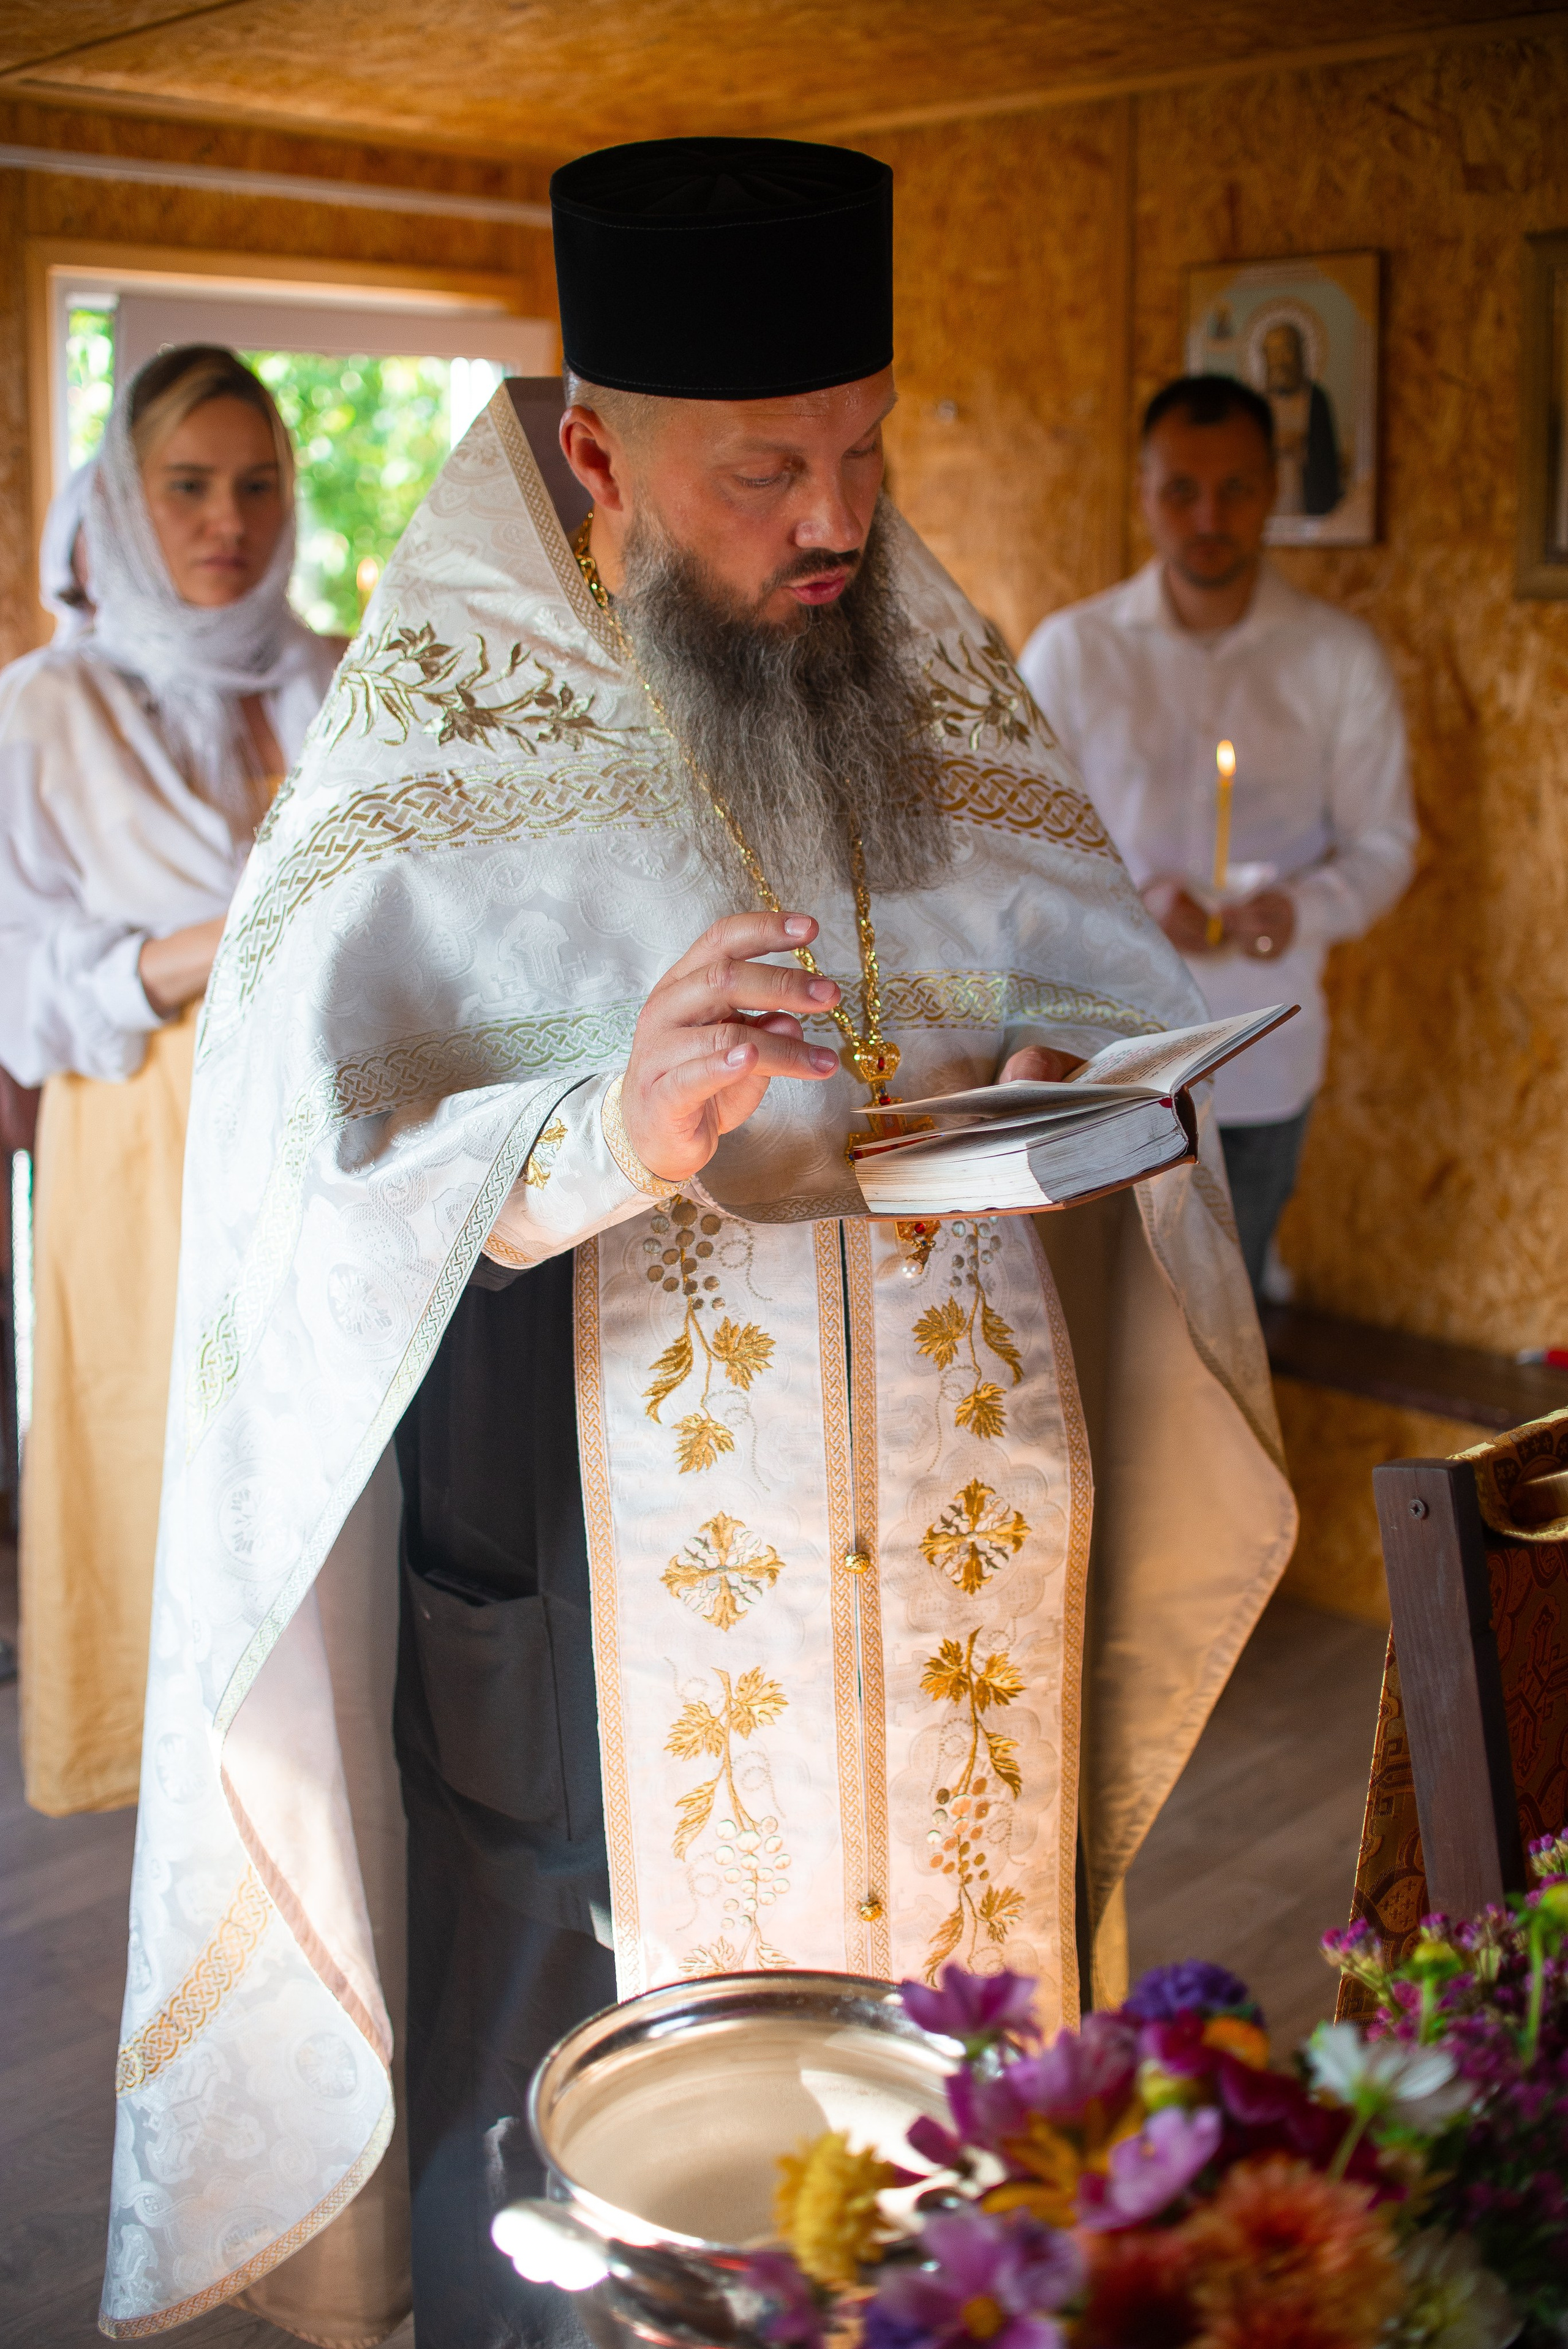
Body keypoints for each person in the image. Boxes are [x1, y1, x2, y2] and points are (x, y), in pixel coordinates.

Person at [105, 147, 1295, 2347]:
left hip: (941, 1558)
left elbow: (1080, 970)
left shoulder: (924, 676)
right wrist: (600, 1126)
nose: (837, 519)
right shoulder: (423, 746)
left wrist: (1070, 1067)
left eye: (865, 446)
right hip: (589, 1596)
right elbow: (303, 1188)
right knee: (574, 2136)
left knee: (956, 2100)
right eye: (763, 471)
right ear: (596, 460)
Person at [0, 344, 343, 1819]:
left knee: (327, 1474)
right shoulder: (45, 708)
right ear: (118, 503)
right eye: (188, 486)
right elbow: (21, 991)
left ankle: (326, 1807)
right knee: (168, 1462)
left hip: (326, 1128)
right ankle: (189, 1833)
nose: (229, 522)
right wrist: (227, 935)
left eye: (259, 485)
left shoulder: (341, 677)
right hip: (141, 1138)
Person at [1020, 372, 1414, 1299]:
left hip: (1262, 1059)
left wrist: (1299, 910)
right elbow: (1019, 852)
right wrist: (1136, 906)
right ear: (1143, 492)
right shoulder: (1072, 654)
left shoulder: (1336, 657)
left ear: (1272, 488)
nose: (1208, 515)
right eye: (1181, 489)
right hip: (1103, 1055)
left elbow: (1386, 842)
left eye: (1235, 487)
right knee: (1103, 1316)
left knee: (1235, 1317)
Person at [1260, 321, 1340, 518]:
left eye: (1286, 350)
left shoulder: (1315, 399)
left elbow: (1325, 458)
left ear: (1299, 354)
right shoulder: (1258, 403)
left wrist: (1302, 446)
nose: (1280, 360)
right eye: (1273, 352)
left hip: (1307, 502)